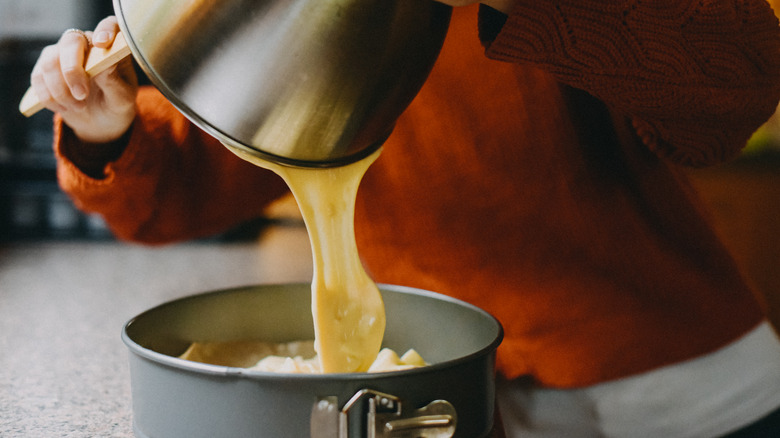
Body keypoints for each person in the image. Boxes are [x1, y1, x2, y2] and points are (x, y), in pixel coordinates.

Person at [29, 1, 780, 436]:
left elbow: (739, 86)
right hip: (444, 408)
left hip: (683, 401)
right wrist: (106, 127)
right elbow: (188, 184)